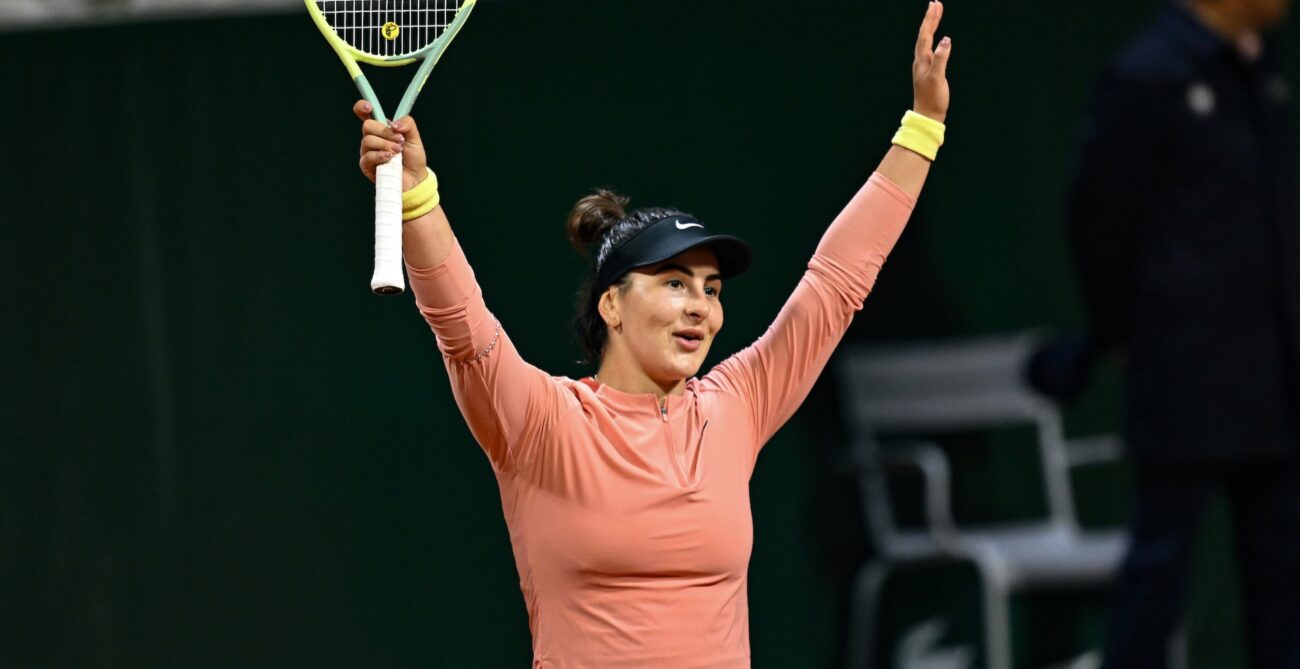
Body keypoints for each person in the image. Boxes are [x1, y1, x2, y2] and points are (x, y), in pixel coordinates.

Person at [354, 4, 951, 666]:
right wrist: (416, 195)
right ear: (612, 303)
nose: (701, 305)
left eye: (712, 289)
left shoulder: (736, 406)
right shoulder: (542, 423)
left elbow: (836, 284)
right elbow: (463, 325)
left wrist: (922, 126)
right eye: (673, 282)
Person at [1066, 0, 1300, 667]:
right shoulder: (1146, 76)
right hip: (1184, 379)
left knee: (1284, 591)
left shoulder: (1263, 73)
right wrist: (1120, 331)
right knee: (1157, 581)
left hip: (1274, 386)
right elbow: (1097, 220)